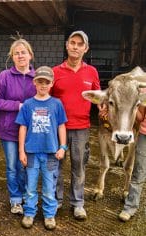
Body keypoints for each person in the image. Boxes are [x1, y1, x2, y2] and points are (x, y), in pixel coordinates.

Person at [50, 30, 101, 220]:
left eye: (80, 44)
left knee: (79, 166)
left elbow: (98, 97)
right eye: (73, 43)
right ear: (67, 45)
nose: (76, 47)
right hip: (58, 128)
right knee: (55, 164)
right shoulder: (56, 72)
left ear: (85, 49)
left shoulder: (92, 72)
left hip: (81, 127)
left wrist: (104, 109)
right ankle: (56, 200)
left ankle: (78, 203)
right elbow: (47, 98)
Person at [16, 66, 67, 230]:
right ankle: (29, 213)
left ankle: (49, 215)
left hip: (51, 153)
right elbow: (22, 127)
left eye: (47, 82)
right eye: (40, 82)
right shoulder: (28, 105)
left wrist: (63, 147)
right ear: (34, 83)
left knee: (48, 187)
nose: (43, 85)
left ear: (52, 83)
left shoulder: (57, 104)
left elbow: (61, 126)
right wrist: (21, 151)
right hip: (31, 153)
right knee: (30, 187)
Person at [0, 37, 36, 214]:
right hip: (9, 130)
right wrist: (18, 106)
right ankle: (15, 199)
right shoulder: (4, 77)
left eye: (23, 52)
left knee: (24, 165)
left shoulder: (37, 77)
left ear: (30, 55)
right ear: (12, 57)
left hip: (31, 131)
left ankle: (26, 195)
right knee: (12, 166)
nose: (20, 56)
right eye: (16, 53)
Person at [118, 105, 146, 222]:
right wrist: (133, 106)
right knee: (138, 172)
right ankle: (129, 208)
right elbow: (140, 118)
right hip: (145, 136)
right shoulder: (144, 90)